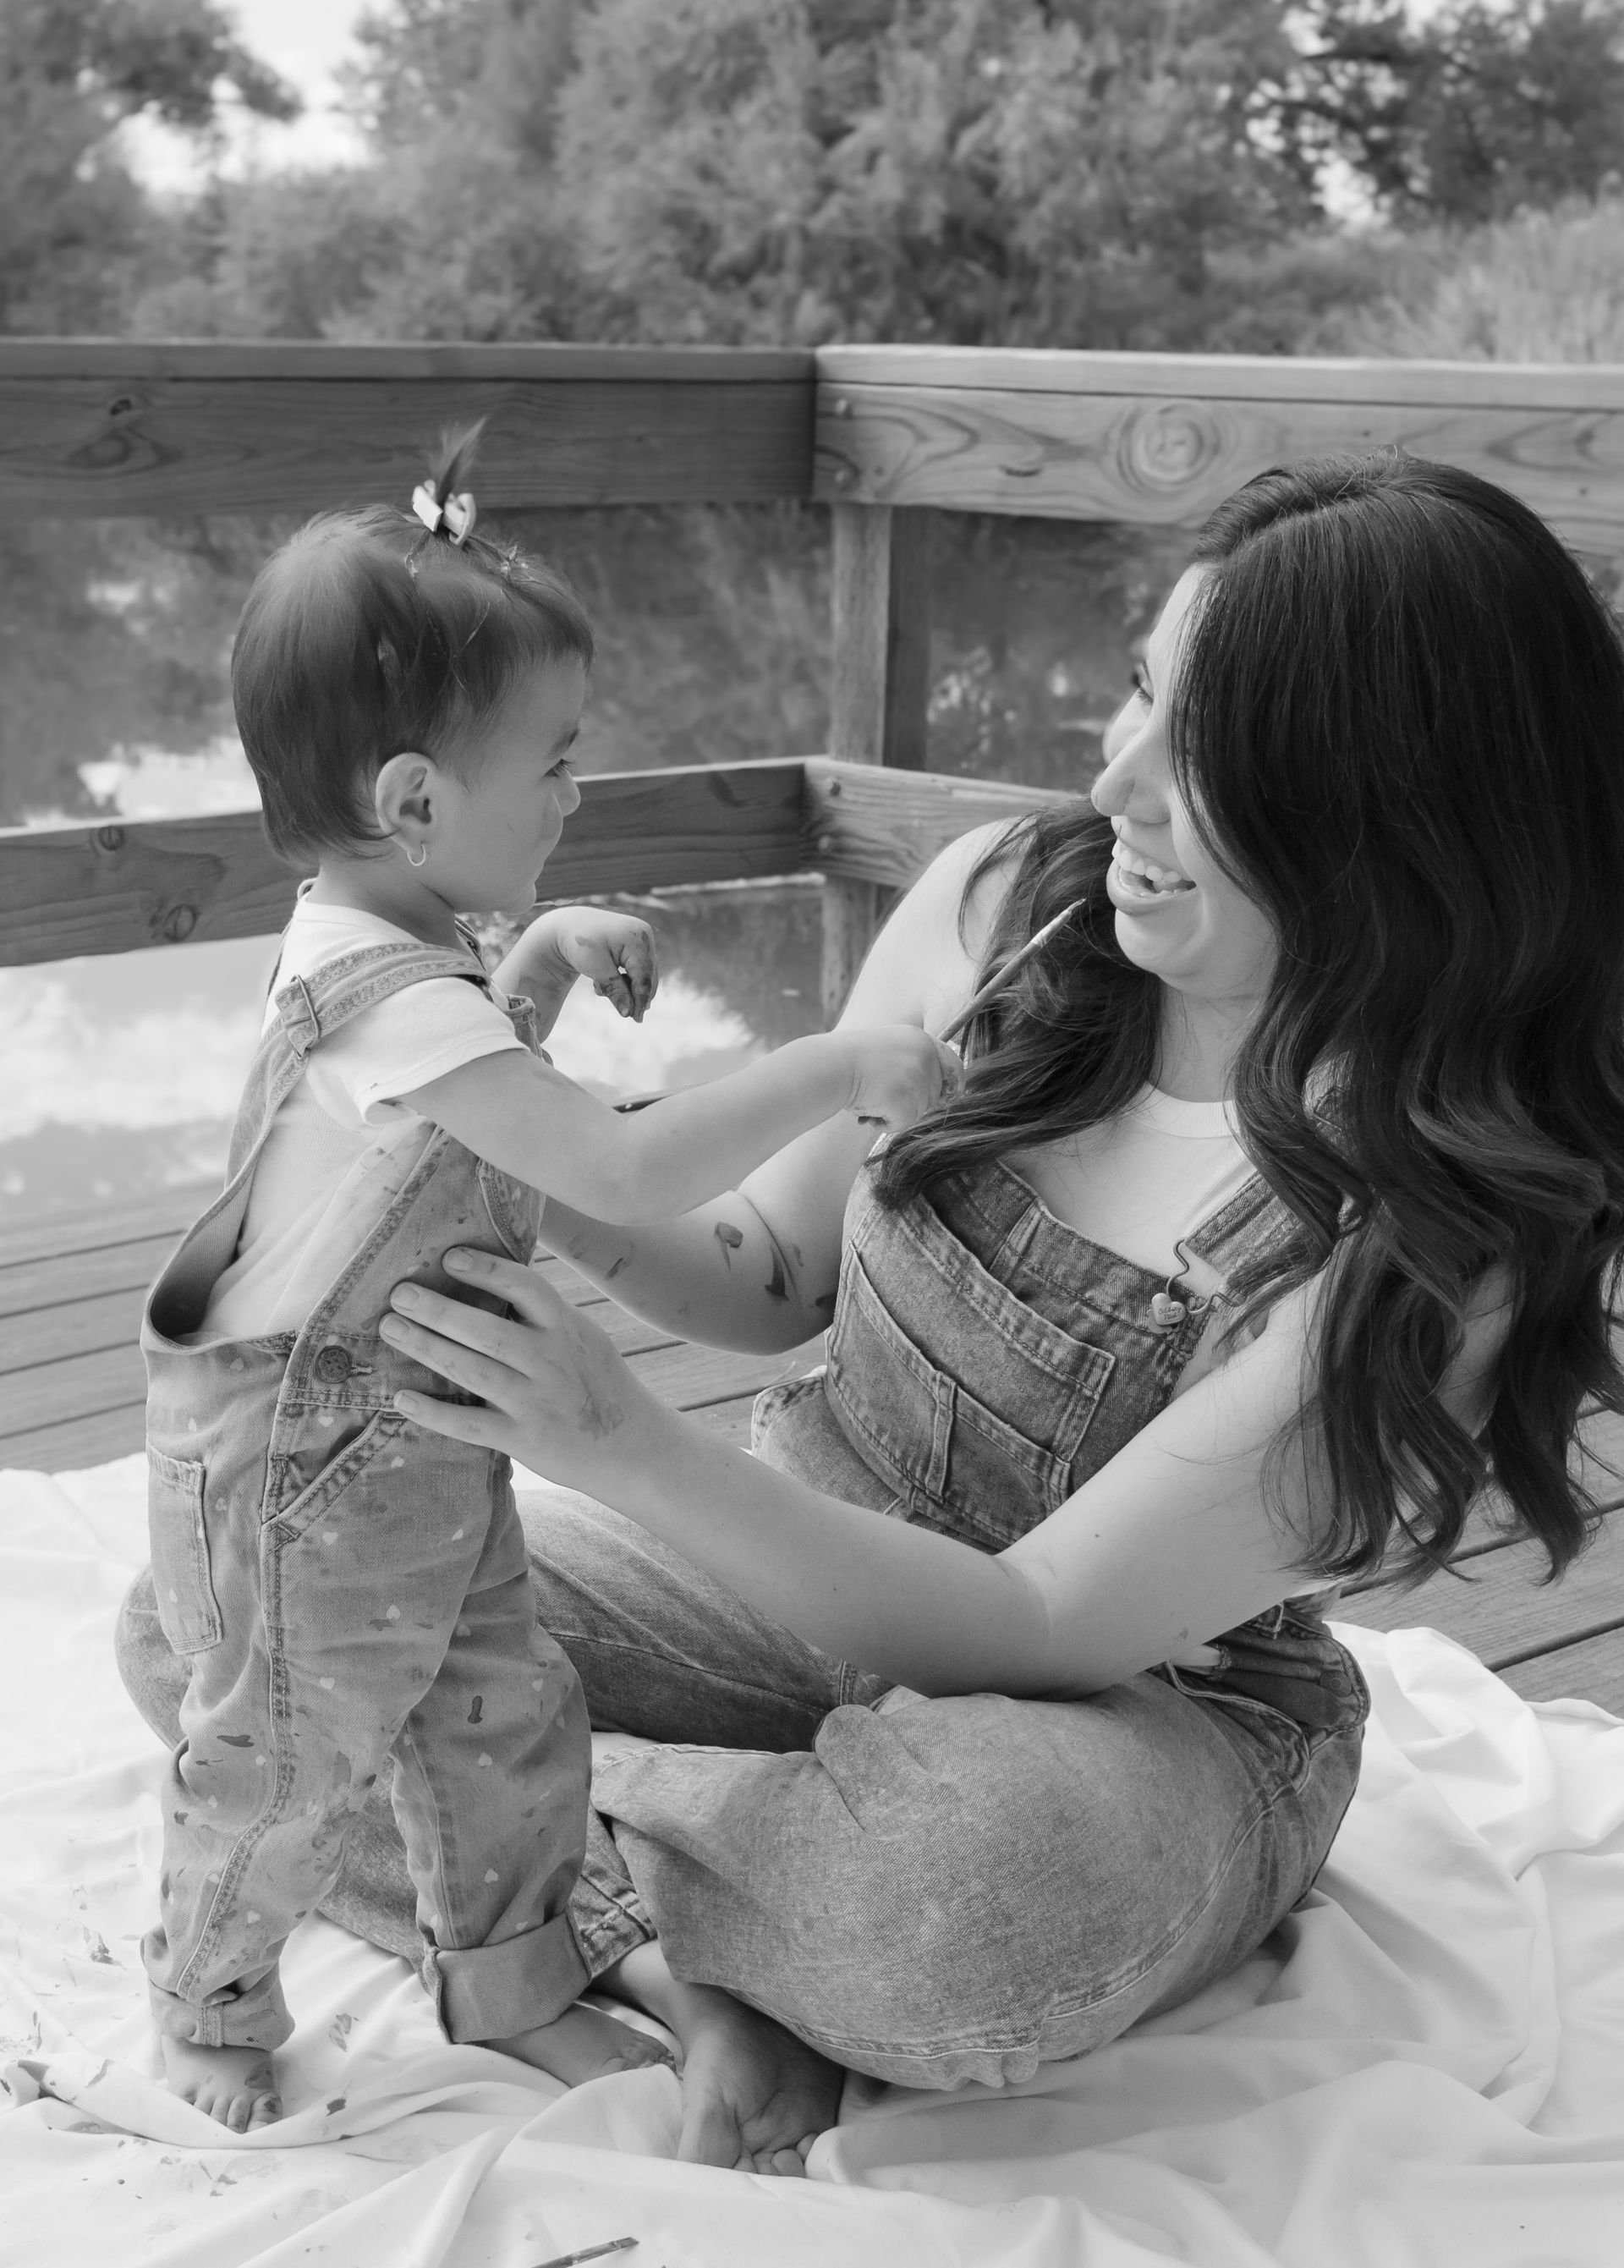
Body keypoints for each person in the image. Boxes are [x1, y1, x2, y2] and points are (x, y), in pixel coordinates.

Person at [118, 449, 1624, 2175]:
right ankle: (688, 1952)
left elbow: (1045, 1620)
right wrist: (508, 1127)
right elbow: (772, 1273)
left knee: (963, 1914)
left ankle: (566, 1872)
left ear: (1389, 810)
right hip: (784, 1563)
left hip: (1137, 1716)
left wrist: (615, 1440)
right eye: (1141, 690)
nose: (1115, 777)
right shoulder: (1005, 909)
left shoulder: (1435, 1224)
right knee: (226, 1622)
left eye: (1202, 749)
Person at [135, 426, 956, 2133]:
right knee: (284, 1749)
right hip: (298, 1466)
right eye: (558, 764)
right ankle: (204, 1996)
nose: (578, 796)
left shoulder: (401, 948)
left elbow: (463, 1104)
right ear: (415, 805)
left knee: (501, 1721)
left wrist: (538, 965)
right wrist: (840, 1065)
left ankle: (513, 1984)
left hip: (418, 1441)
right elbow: (616, 1169)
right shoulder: (381, 1000)